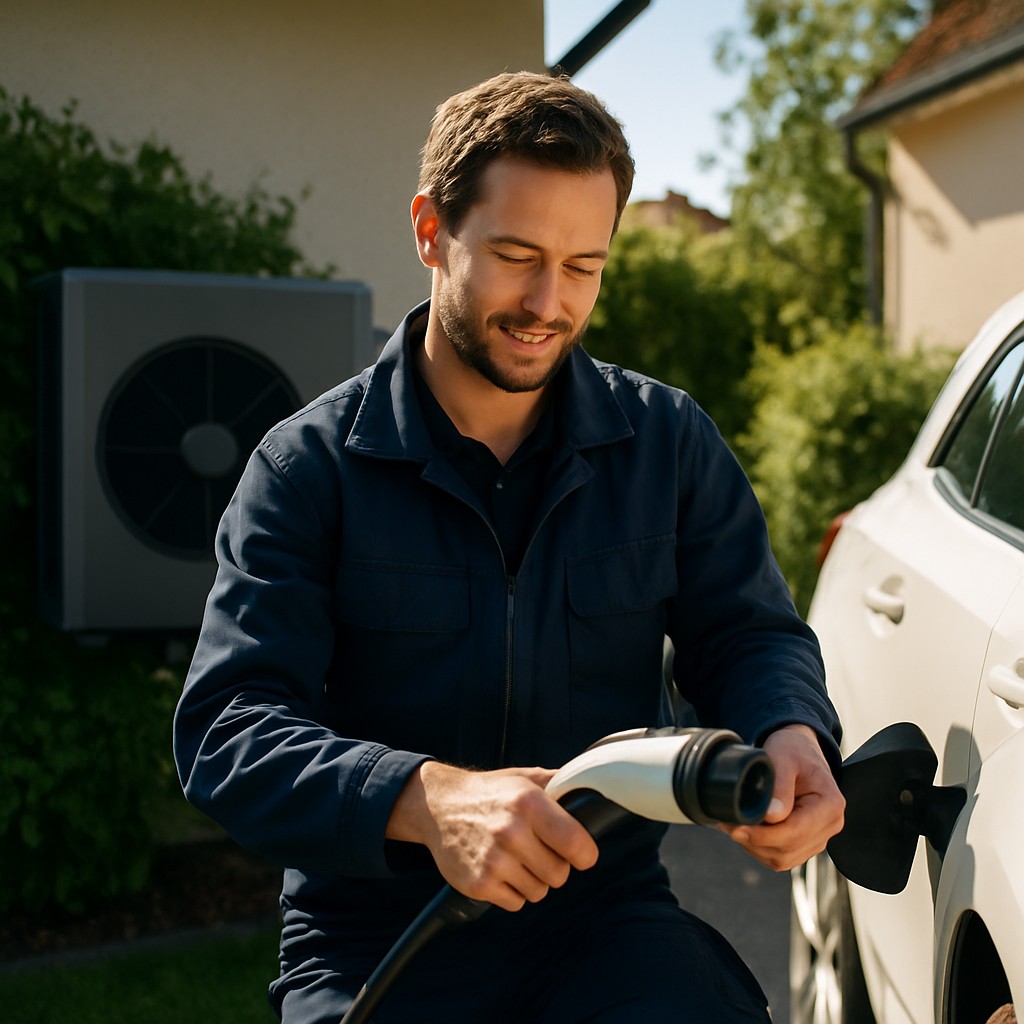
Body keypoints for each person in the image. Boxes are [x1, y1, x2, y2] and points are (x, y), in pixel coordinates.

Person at [173, 70, 845, 1023]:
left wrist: (792, 733)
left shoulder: (668, 443)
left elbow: (749, 636)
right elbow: (228, 730)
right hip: (373, 935)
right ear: (430, 231)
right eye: (517, 254)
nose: (548, 302)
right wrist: (423, 798)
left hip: (605, 921)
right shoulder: (306, 468)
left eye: (584, 266)